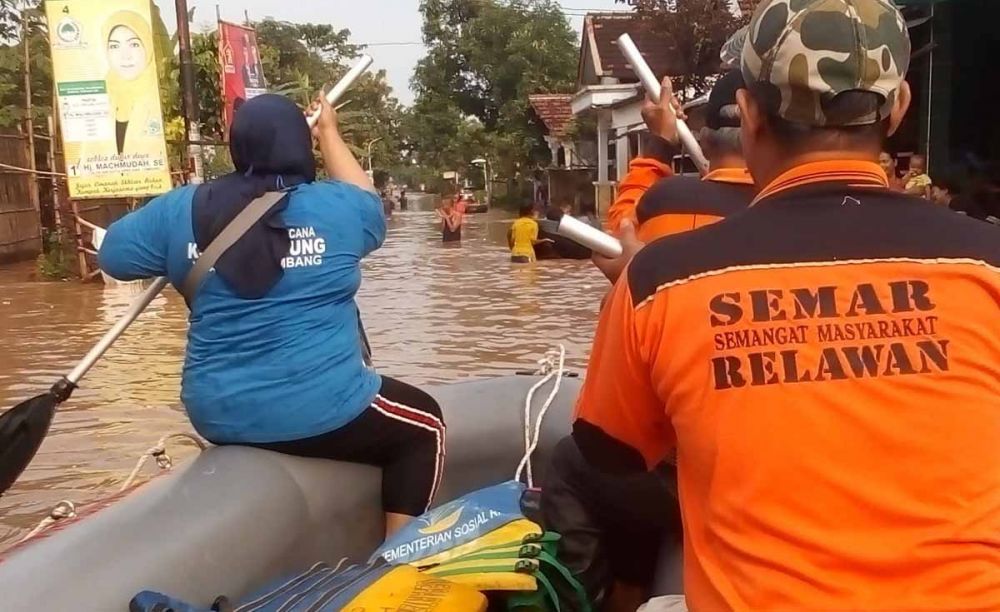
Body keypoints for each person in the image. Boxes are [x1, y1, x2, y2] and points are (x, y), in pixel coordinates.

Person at [571, 0, 1000, 609]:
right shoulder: (989, 262)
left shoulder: (661, 278)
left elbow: (609, 452)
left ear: (748, 114)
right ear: (899, 107)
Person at [98, 94, 445, 539]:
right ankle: (397, 563)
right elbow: (368, 202)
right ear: (302, 148)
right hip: (319, 409)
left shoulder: (180, 209)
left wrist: (180, 241)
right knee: (425, 425)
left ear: (237, 148)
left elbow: (114, 257)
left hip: (217, 413)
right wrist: (330, 134)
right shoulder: (339, 209)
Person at [86, 11, 164, 159]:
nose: (125, 55)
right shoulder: (97, 102)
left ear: (147, 46)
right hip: (104, 182)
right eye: (115, 46)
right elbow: (85, 162)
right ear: (106, 51)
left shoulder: (162, 96)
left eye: (134, 44)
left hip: (151, 181)